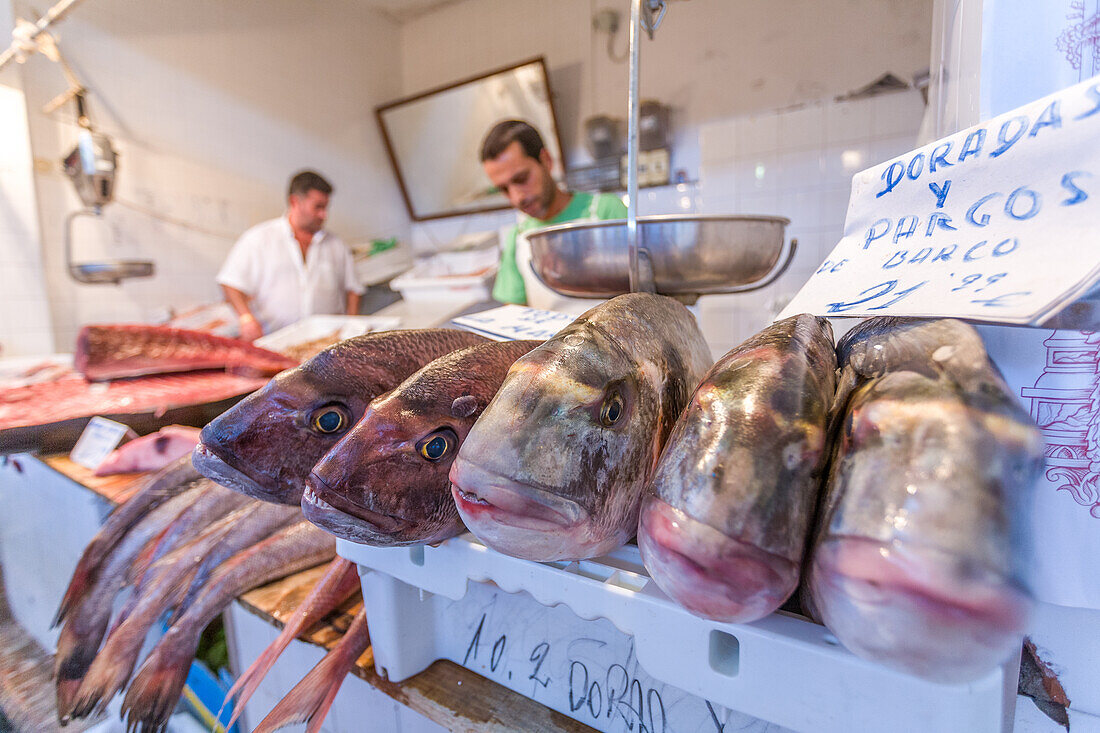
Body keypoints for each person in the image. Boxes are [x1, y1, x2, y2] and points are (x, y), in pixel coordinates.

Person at [480, 120, 627, 305]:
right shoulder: (517, 237)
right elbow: (513, 313)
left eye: (522, 179)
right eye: (504, 189)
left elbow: (644, 294)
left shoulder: (606, 211)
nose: (516, 197)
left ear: (546, 160)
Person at [217, 170, 363, 341]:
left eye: (326, 207)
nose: (324, 215)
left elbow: (354, 289)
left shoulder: (336, 245)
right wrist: (246, 317)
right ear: (294, 201)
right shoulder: (259, 239)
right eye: (318, 207)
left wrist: (352, 328)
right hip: (276, 341)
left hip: (328, 343)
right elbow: (230, 283)